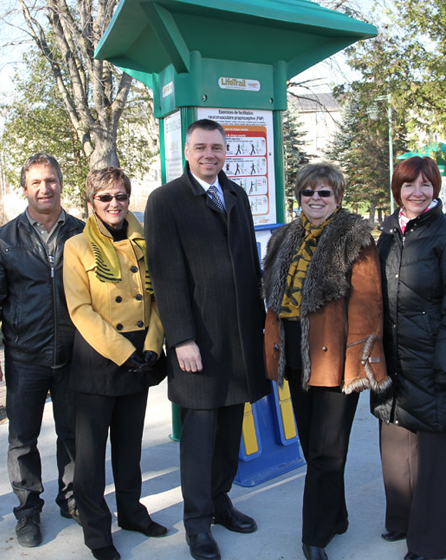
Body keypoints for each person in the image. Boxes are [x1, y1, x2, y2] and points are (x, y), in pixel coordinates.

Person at [145, 118, 271, 560]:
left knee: (229, 431)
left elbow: (248, 267)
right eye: (201, 147)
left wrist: (260, 327)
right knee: (199, 439)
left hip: (238, 339)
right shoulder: (166, 201)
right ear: (187, 151)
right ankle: (197, 524)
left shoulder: (235, 195)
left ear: (225, 151)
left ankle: (220, 503)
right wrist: (181, 338)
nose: (209, 155)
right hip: (197, 340)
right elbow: (165, 274)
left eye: (216, 147)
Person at [262, 163, 391, 560]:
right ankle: (336, 516)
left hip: (335, 359)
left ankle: (313, 536)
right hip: (294, 357)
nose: (315, 200)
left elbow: (368, 307)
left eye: (325, 193)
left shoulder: (354, 239)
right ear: (298, 196)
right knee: (315, 448)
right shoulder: (283, 238)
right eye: (308, 193)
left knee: (326, 451)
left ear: (338, 197)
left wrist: (359, 363)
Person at [0, 153, 84, 548]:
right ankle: (28, 512)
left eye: (51, 180)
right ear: (25, 188)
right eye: (36, 182)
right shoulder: (4, 240)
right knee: (22, 439)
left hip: (74, 355)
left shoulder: (83, 233)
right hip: (25, 356)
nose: (44, 188)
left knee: (73, 433)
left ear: (60, 184)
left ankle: (72, 500)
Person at [371, 157, 446, 560]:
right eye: (409, 184)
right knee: (396, 444)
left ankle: (430, 543)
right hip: (392, 360)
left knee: (431, 457)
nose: (417, 192)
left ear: (436, 189)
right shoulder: (386, 235)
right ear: (397, 189)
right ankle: (400, 520)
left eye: (426, 185)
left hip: (434, 361)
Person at [63, 167, 169, 560]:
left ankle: (132, 513)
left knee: (129, 449)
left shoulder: (145, 240)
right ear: (91, 202)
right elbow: (80, 309)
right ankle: (97, 532)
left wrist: (153, 347)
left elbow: (159, 298)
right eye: (105, 197)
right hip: (99, 360)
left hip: (141, 358)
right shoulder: (77, 247)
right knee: (90, 461)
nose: (114, 204)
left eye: (121, 196)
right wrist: (124, 352)